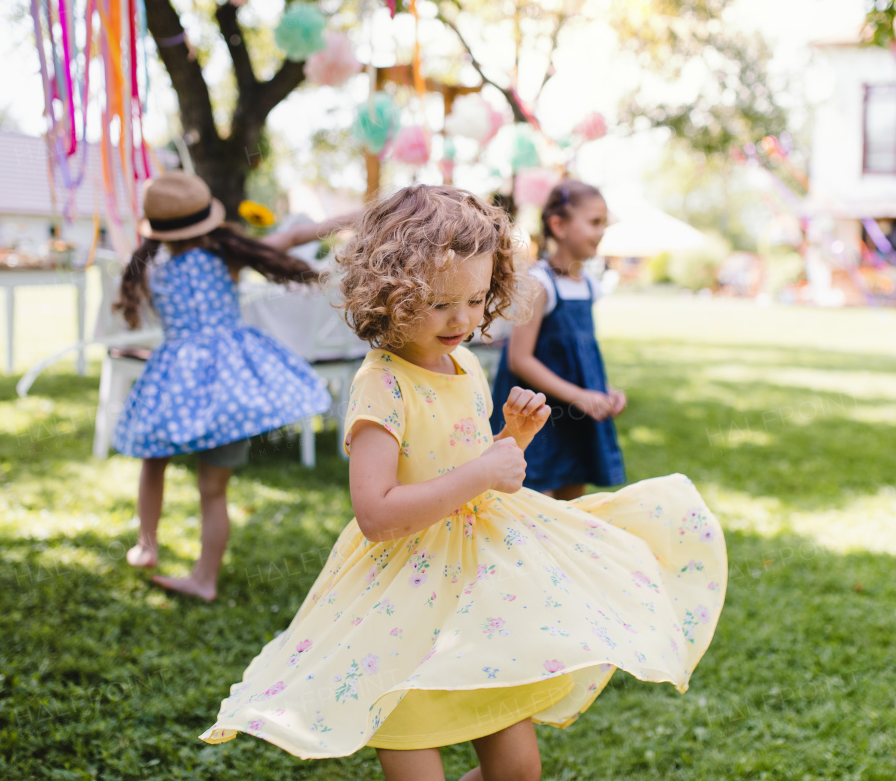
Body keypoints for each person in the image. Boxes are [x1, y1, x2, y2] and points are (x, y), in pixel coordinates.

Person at [199, 185, 727, 780]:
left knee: (519, 771)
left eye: (477, 300)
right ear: (391, 293)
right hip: (398, 599)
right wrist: (482, 469)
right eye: (442, 303)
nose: (464, 320)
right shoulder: (383, 384)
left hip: (477, 594)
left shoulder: (466, 363)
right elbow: (376, 513)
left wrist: (512, 441)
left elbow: (477, 469)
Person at [113, 172, 330, 601]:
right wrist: (358, 216)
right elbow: (297, 235)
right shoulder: (227, 258)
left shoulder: (150, 273)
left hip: (173, 386)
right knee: (213, 492)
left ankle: (146, 545)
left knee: (152, 462)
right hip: (227, 388)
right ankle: (204, 578)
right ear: (206, 219)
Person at [490, 180, 624, 500]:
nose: (601, 230)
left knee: (573, 493)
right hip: (535, 414)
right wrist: (579, 395)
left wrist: (602, 392)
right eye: (594, 222)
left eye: (604, 223)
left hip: (576, 417)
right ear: (559, 225)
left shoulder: (589, 285)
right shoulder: (539, 284)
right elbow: (519, 359)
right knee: (534, 498)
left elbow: (581, 356)